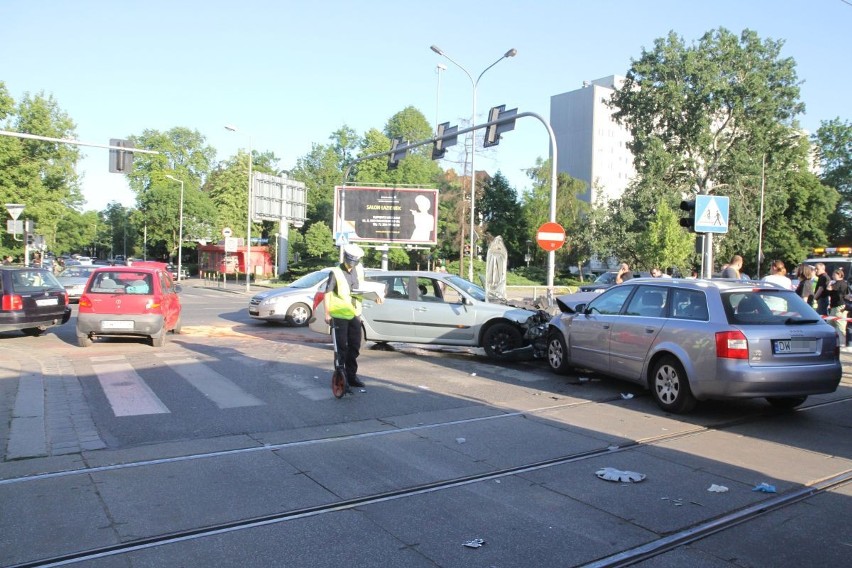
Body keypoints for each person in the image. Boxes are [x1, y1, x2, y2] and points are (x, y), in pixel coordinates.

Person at [323, 243, 374, 391]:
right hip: (339, 314)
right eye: (349, 262)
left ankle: (351, 376)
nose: (351, 266)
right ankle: (341, 378)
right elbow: (327, 293)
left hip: (354, 313)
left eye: (354, 263)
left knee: (355, 346)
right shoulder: (336, 272)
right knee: (341, 347)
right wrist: (327, 313)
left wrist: (376, 296)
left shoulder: (359, 269)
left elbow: (361, 289)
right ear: (345, 258)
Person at [826, 267, 849, 349]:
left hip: (838, 307)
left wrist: (829, 283)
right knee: (833, 325)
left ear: (839, 274)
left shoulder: (838, 283)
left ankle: (841, 345)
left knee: (839, 326)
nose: (832, 276)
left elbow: (829, 288)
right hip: (839, 306)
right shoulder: (845, 283)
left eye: (834, 274)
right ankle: (839, 343)